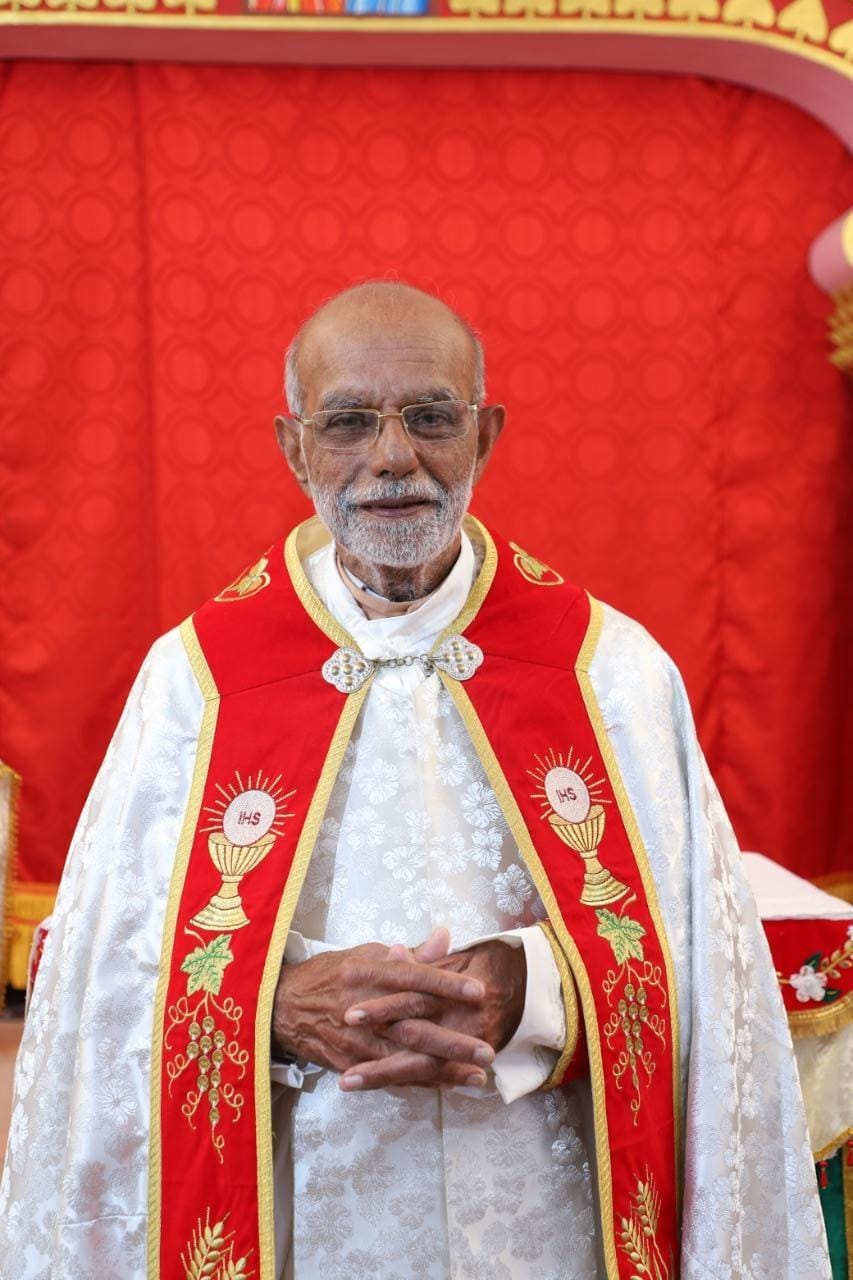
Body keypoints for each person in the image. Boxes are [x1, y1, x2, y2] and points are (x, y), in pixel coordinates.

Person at [0, 282, 830, 1280]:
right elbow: (98, 986)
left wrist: (531, 991)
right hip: (301, 1215)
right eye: (348, 421)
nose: (392, 457)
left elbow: (708, 982)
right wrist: (273, 1001)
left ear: (484, 433)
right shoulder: (196, 682)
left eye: (430, 416)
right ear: (293, 445)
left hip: (541, 1218)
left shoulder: (609, 672)